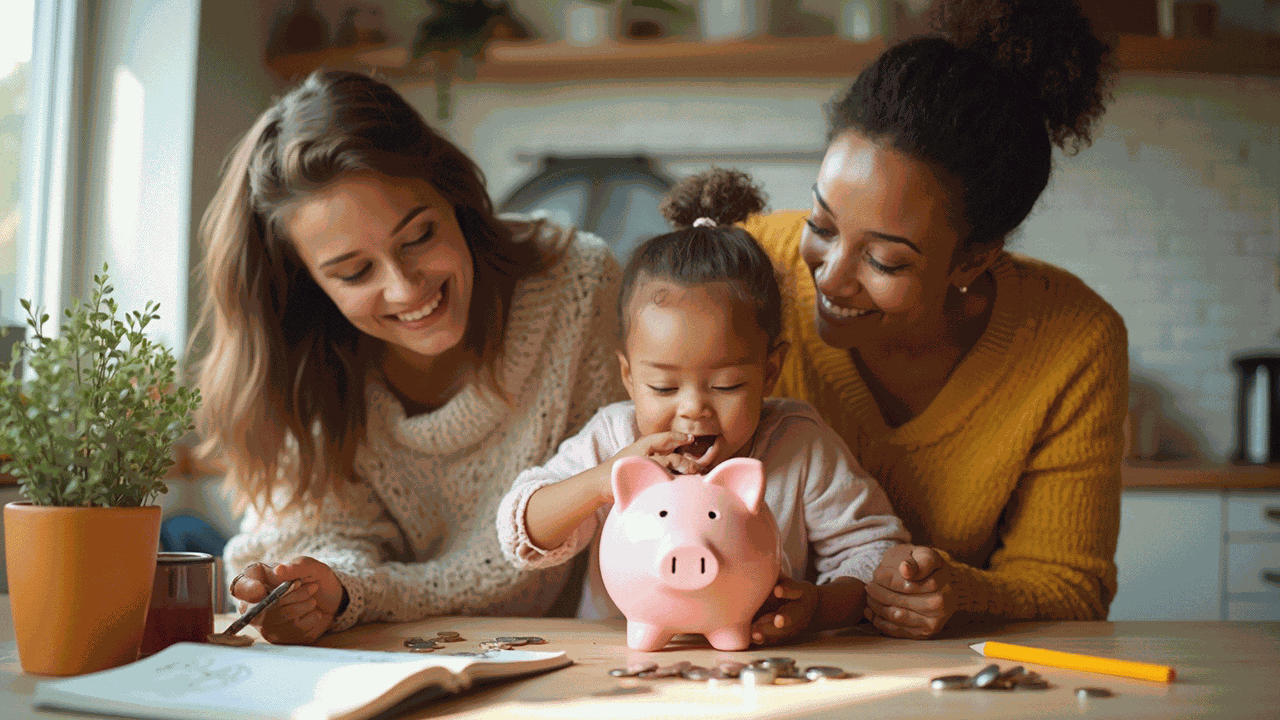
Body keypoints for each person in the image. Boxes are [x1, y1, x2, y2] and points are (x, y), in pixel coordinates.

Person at [193, 70, 625, 644]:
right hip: (385, 654)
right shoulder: (298, 357)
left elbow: (605, 511)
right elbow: (325, 539)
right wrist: (321, 590)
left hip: (565, 649)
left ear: (452, 194)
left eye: (419, 236)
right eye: (354, 272)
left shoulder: (577, 284)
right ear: (306, 282)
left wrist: (362, 594)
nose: (405, 289)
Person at [741, 0, 1126, 639]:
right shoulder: (755, 270)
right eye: (821, 224)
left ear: (973, 259)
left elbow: (1069, 583)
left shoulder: (1072, 340)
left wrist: (953, 591)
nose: (831, 277)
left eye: (886, 260)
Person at [496, 168, 909, 646]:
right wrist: (603, 479)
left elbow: (876, 554)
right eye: (664, 388)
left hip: (758, 665)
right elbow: (519, 533)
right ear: (629, 376)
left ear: (769, 373)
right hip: (622, 661)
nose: (693, 410)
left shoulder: (798, 443)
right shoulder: (613, 438)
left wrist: (817, 607)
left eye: (727, 385)